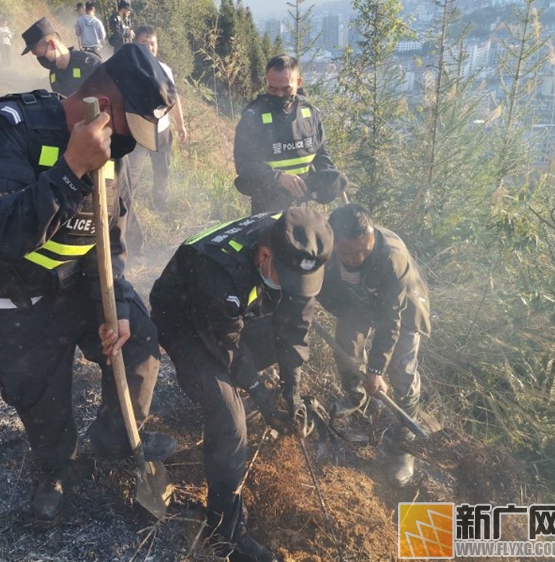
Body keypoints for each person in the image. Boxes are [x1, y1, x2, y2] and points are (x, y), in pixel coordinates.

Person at [0, 44, 179, 521]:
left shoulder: (113, 149)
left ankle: (115, 440)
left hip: (78, 283)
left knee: (141, 341)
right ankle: (57, 465)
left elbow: (111, 236)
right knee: (41, 393)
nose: (126, 145)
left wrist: (113, 304)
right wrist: (72, 168)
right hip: (12, 294)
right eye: (126, 131)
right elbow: (8, 234)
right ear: (103, 108)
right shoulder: (12, 126)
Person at [150, 207, 333, 561]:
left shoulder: (294, 240)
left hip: (231, 316)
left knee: (277, 344)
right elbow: (227, 349)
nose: (297, 288)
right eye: (289, 277)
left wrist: (290, 385)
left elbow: (298, 317)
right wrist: (261, 396)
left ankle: (236, 411)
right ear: (265, 256)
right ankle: (225, 531)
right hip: (186, 323)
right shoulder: (217, 271)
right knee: (228, 415)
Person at [315, 204, 430, 488]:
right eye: (349, 253)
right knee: (345, 347)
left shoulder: (392, 256)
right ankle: (356, 398)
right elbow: (320, 285)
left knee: (401, 370)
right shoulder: (324, 246)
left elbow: (391, 320)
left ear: (372, 237)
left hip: (401, 305)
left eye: (363, 251)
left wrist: (377, 369)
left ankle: (404, 445)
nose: (356, 258)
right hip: (360, 300)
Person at [234, 55, 347, 214]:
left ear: (298, 82)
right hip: (267, 207)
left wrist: (329, 178)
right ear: (266, 81)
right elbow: (245, 165)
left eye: (286, 89)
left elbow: (321, 152)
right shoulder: (253, 116)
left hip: (302, 207)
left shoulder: (309, 113)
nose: (280, 95)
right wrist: (278, 177)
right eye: (273, 89)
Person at [124, 25, 188, 253]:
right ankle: (127, 217)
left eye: (152, 43)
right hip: (138, 131)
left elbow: (174, 99)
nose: (149, 47)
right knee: (131, 175)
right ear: (135, 45)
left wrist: (181, 125)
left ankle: (159, 204)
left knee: (163, 169)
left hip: (162, 131)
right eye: (144, 43)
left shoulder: (165, 69)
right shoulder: (129, 69)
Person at [21, 17, 102, 98]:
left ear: (52, 44)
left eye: (40, 54)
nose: (40, 59)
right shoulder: (53, 75)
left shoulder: (89, 63)